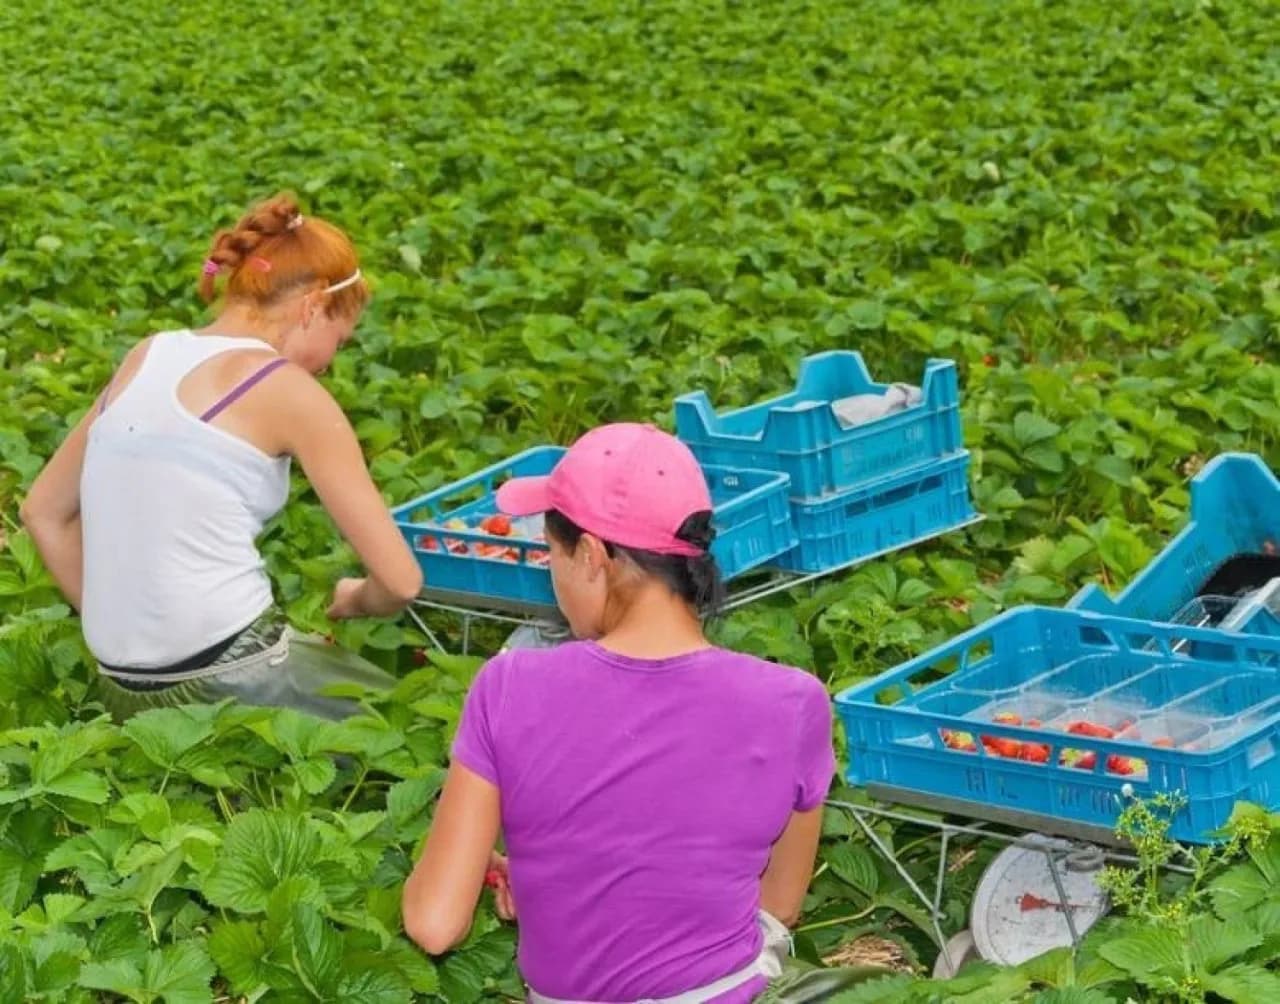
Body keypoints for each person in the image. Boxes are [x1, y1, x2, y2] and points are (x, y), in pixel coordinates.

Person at [402, 423, 835, 1002]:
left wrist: (499, 860)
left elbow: (434, 924)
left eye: (551, 553)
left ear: (590, 554)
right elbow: (777, 905)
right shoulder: (794, 701)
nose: (551, 576)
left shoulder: (511, 686)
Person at [20, 192, 423, 721]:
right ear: (312, 306)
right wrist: (355, 598)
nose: (329, 364)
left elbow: (41, 512)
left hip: (121, 688)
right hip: (235, 671)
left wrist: (124, 628)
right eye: (340, 340)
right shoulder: (288, 390)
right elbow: (401, 581)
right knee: (426, 738)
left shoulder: (148, 353)